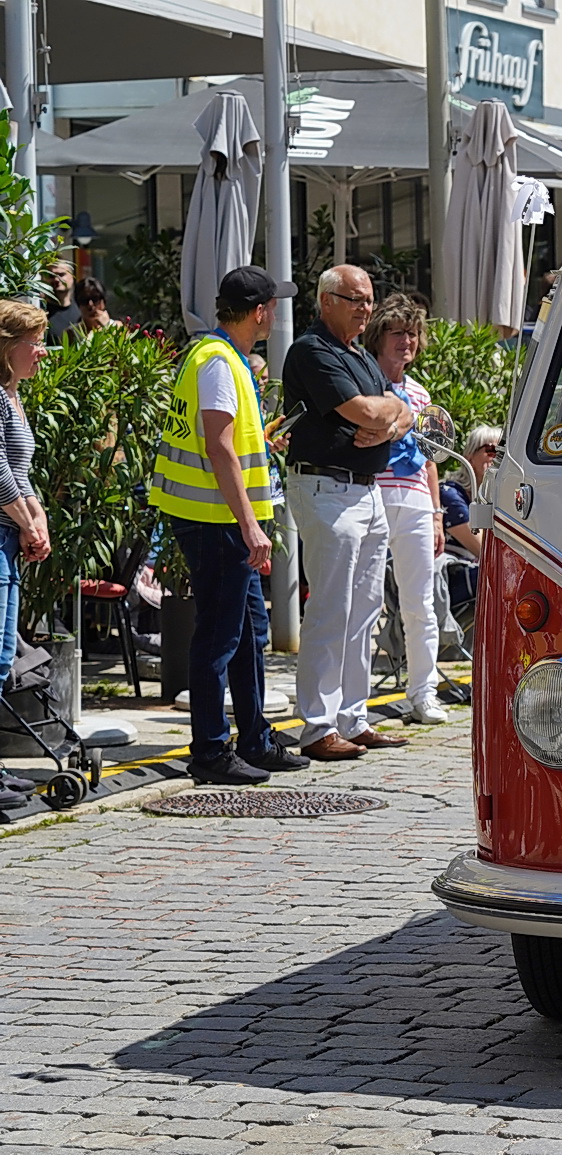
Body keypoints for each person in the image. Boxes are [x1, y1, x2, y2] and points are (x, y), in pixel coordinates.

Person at [147, 267, 307, 786]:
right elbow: (216, 445)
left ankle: (254, 739)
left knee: (248, 632)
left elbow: (227, 441)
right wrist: (250, 525)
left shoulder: (220, 356)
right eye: (273, 306)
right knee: (219, 635)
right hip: (216, 521)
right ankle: (212, 751)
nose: (276, 314)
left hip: (221, 519)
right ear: (259, 312)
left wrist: (260, 440)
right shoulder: (217, 360)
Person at [281, 265, 413, 762]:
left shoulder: (359, 354)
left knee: (365, 612)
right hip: (326, 486)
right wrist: (383, 418)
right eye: (354, 299)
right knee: (330, 610)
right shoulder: (313, 351)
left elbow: (399, 409)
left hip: (367, 489)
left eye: (369, 300)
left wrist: (388, 423)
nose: (365, 309)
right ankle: (316, 727)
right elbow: (365, 412)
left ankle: (353, 718)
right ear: (326, 301)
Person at [363, 295, 448, 725]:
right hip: (372, 494)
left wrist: (436, 514)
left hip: (414, 498)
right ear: (380, 336)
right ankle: (353, 700)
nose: (406, 341)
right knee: (365, 602)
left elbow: (430, 456)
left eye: (412, 333)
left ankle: (423, 693)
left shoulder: (419, 392)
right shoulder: (362, 380)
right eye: (398, 332)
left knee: (420, 602)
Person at [0, 303, 53, 810]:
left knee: (1, 659)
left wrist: (36, 522)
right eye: (33, 341)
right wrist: (25, 521)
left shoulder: (12, 397)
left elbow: (21, 472)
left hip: (8, 537)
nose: (41, 351)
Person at [441, 426, 500, 562]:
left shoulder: (502, 496)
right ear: (470, 458)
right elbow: (483, 550)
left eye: (502, 454)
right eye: (491, 451)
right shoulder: (449, 493)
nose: (498, 459)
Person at [64, 278, 118, 346]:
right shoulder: (71, 333)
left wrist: (107, 327)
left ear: (103, 301)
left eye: (95, 299)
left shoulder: (117, 327)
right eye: (84, 300)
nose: (90, 305)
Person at [43, 262, 79, 344]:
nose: (56, 279)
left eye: (61, 274)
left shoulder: (82, 309)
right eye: (51, 276)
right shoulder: (39, 312)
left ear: (72, 277)